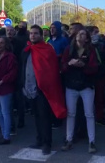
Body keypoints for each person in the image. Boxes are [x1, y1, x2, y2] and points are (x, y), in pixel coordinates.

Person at [21, 25, 67, 155]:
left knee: (45, 117)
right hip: (30, 88)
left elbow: (51, 70)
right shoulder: (27, 50)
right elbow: (23, 68)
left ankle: (47, 142)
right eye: (31, 33)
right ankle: (39, 139)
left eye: (36, 33)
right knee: (36, 116)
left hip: (43, 89)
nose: (33, 35)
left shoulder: (47, 49)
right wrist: (23, 85)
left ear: (41, 35)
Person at [61, 29, 99, 153]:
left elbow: (95, 68)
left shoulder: (91, 50)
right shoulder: (69, 49)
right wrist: (70, 63)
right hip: (71, 85)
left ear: (87, 38)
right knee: (71, 113)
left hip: (86, 86)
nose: (79, 35)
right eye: (78, 33)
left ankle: (91, 141)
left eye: (83, 34)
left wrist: (83, 66)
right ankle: (68, 139)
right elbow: (62, 66)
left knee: (89, 114)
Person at [0, 37, 18, 145]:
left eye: (1, 43)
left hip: (5, 87)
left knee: (5, 111)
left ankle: (6, 136)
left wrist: (3, 80)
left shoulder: (10, 56)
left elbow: (13, 72)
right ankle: (3, 133)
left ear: (6, 44)